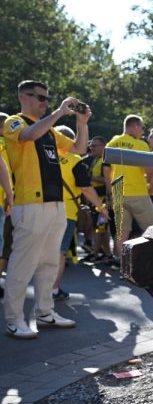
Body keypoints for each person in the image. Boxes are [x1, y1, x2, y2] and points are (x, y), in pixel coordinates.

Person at [3, 80, 90, 339]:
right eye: (40, 98)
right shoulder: (14, 122)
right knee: (22, 264)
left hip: (56, 204)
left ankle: (45, 312)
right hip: (29, 204)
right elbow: (29, 136)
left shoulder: (50, 130)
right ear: (24, 97)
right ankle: (13, 319)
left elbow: (79, 149)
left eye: (47, 99)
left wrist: (82, 124)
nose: (44, 103)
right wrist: (59, 112)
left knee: (50, 263)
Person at [53, 126, 109, 301]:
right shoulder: (74, 160)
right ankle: (53, 290)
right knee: (59, 252)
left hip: (41, 208)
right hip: (66, 212)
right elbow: (85, 188)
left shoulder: (43, 157)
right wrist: (101, 207)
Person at [103, 115, 153, 268]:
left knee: (122, 232)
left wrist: (110, 191)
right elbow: (149, 169)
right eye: (142, 127)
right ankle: (148, 263)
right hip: (138, 192)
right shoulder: (140, 145)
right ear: (133, 126)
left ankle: (122, 264)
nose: (143, 131)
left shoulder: (112, 143)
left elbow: (106, 170)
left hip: (118, 193)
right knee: (150, 230)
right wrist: (149, 179)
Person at [0, 113, 13, 300]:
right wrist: (10, 196)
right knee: (3, 245)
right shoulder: (6, 145)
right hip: (3, 203)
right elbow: (4, 170)